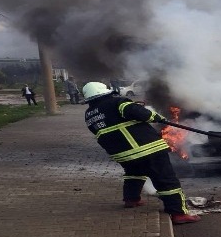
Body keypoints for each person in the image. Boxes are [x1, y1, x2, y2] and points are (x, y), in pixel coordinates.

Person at [82, 82, 200, 225]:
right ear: (105, 92)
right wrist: (157, 118)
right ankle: (178, 213)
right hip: (147, 149)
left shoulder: (89, 115)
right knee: (166, 180)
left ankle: (131, 199)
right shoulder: (117, 102)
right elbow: (141, 113)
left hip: (122, 154)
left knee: (134, 173)